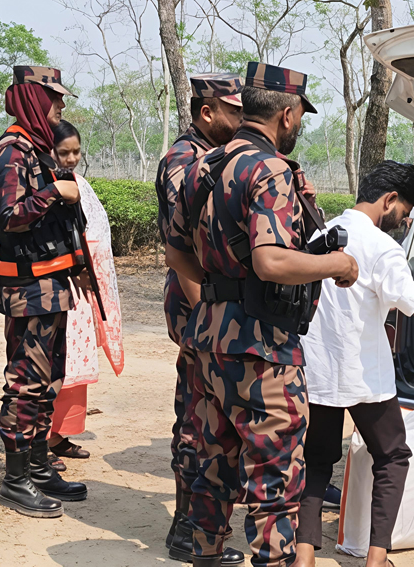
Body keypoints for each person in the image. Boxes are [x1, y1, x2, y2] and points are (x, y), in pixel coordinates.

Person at [165, 61, 359, 567]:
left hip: (208, 341)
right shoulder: (268, 168)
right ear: (288, 115)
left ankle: (204, 558)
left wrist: (212, 292)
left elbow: (175, 253)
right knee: (275, 477)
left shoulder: (202, 165)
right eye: (299, 118)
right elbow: (270, 260)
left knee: (213, 469)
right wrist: (335, 263)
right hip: (262, 348)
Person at [296, 161, 414, 567]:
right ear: (389, 200)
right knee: (394, 455)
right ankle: (376, 558)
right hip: (364, 374)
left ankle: (304, 555)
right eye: (405, 211)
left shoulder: (321, 233)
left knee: (317, 459)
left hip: (316, 370)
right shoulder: (383, 248)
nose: (404, 220)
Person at [154, 73, 246, 565]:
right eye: (233, 111)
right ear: (206, 112)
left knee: (207, 414)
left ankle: (196, 523)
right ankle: (187, 529)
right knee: (195, 416)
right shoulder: (183, 161)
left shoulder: (218, 157)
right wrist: (201, 320)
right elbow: (179, 251)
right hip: (197, 308)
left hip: (211, 309)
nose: (240, 120)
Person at [0, 66, 88, 519]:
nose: (60, 107)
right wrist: (54, 192)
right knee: (26, 383)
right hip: (28, 286)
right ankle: (15, 478)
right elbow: (8, 216)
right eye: (53, 99)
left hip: (51, 283)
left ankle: (38, 463)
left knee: (48, 380)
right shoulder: (13, 151)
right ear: (32, 98)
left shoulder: (36, 148)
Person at [44, 119, 124, 471]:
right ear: (49, 151)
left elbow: (95, 231)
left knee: (75, 362)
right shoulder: (43, 185)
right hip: (55, 286)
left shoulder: (79, 184)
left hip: (82, 288)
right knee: (50, 364)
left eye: (76, 151)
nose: (72, 158)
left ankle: (60, 434)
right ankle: (38, 440)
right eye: (65, 152)